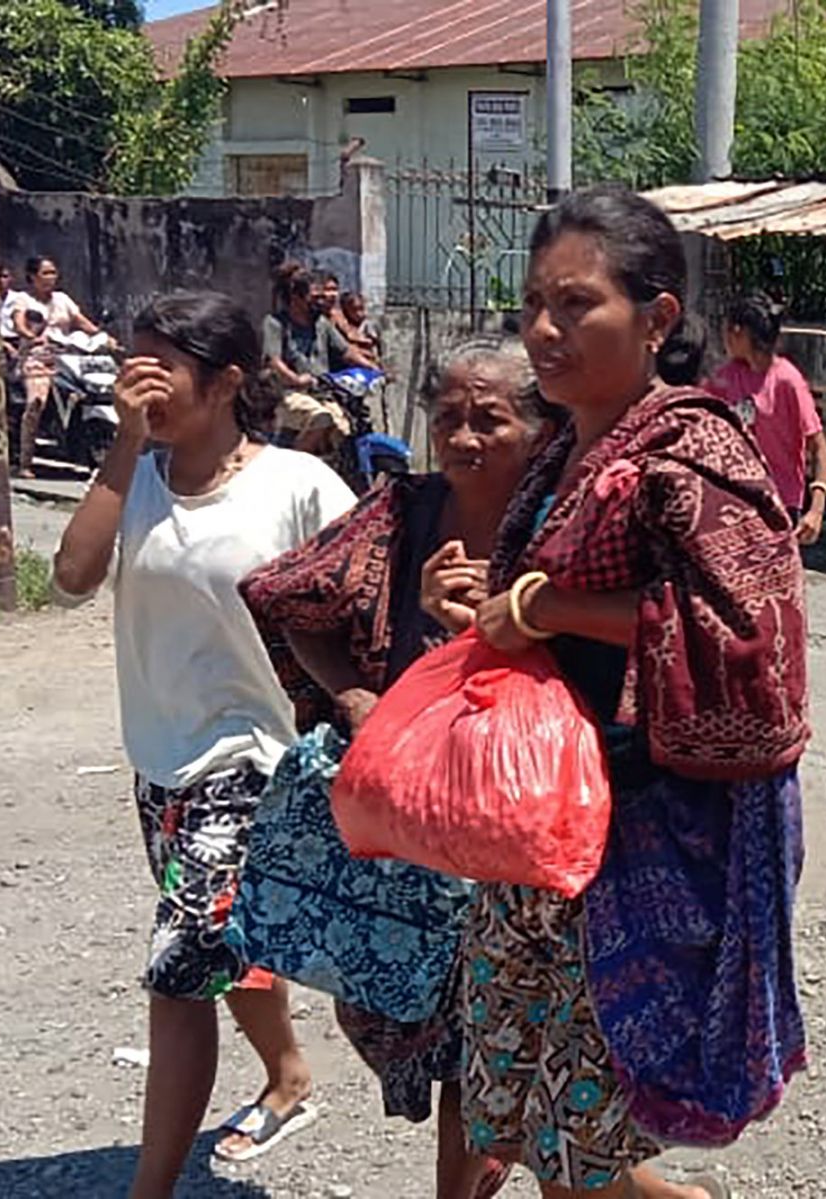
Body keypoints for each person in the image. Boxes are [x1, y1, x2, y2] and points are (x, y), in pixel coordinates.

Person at [441, 185, 808, 1199]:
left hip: (641, 836)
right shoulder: (562, 452)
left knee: (582, 1128)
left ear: (657, 318)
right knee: (539, 1114)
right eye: (532, 304)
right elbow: (542, 608)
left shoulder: (695, 446)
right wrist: (486, 602)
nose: (543, 330)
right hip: (540, 826)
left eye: (575, 304)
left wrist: (545, 604)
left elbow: (748, 631)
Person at [51, 291, 356, 1199]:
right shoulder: (135, 480)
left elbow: (363, 594)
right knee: (225, 941)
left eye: (163, 366)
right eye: (132, 361)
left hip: (258, 764)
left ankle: (149, 1189)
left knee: (181, 965)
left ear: (225, 383)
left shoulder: (296, 484)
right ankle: (289, 1074)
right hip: (162, 760)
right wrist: (122, 447)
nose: (140, 380)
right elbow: (70, 575)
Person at [239, 341, 560, 1199]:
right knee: (452, 1039)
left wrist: (500, 621)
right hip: (416, 831)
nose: (464, 437)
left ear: (538, 428)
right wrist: (351, 692)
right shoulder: (399, 512)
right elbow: (289, 597)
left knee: (480, 1049)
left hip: (526, 832)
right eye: (448, 417)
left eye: (489, 418)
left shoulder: (564, 523)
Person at [707, 291, 826, 544]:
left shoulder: (787, 381)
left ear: (739, 332)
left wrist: (816, 509)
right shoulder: (725, 377)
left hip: (780, 504)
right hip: (735, 504)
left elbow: (819, 447)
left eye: (726, 330)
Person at [1, 255, 109, 477]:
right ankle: (24, 462)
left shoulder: (62, 299)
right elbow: (19, 324)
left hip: (68, 357)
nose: (51, 277)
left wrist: (104, 338)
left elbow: (82, 322)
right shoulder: (23, 300)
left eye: (53, 273)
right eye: (45, 273)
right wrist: (32, 336)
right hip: (38, 358)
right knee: (36, 403)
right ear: (32, 277)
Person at [263, 263, 369, 455]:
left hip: (321, 394)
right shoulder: (275, 324)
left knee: (344, 429)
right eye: (315, 298)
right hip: (288, 394)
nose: (321, 302)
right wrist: (296, 380)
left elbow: (346, 351)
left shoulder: (322, 324)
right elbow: (274, 361)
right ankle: (293, 465)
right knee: (321, 418)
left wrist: (373, 369)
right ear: (296, 298)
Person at [333, 290, 383, 367]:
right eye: (354, 310)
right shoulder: (341, 325)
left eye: (361, 309)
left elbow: (378, 348)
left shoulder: (369, 325)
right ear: (346, 310)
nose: (359, 314)